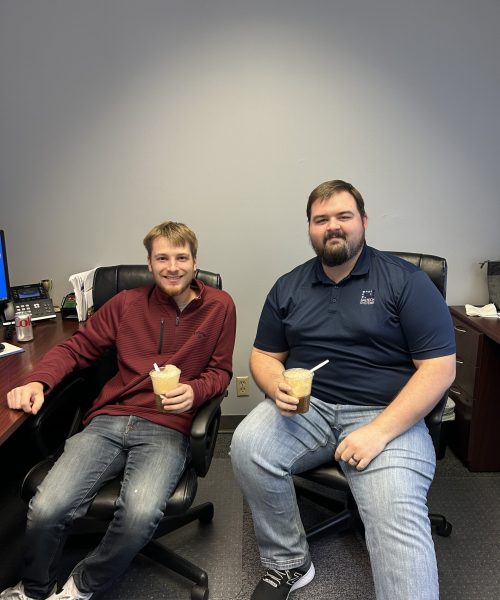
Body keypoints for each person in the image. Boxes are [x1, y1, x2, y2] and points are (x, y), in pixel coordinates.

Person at [230, 180, 456, 600]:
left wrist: (380, 430)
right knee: (247, 446)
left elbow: (439, 370)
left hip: (386, 413)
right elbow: (263, 354)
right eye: (321, 220)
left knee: (394, 514)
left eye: (343, 216)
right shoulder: (289, 286)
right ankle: (289, 562)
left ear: (364, 222)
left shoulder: (406, 282)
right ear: (310, 229)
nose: (333, 227)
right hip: (307, 407)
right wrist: (273, 382)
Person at [1, 222, 236, 600]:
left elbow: (221, 372)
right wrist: (37, 382)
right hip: (108, 421)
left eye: (182, 258)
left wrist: (194, 392)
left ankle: (80, 587)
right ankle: (33, 590)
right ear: (149, 263)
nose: (172, 267)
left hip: (168, 427)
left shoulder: (219, 307)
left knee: (139, 516)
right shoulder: (126, 304)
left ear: (195, 262)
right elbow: (75, 348)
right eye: (162, 258)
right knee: (46, 507)